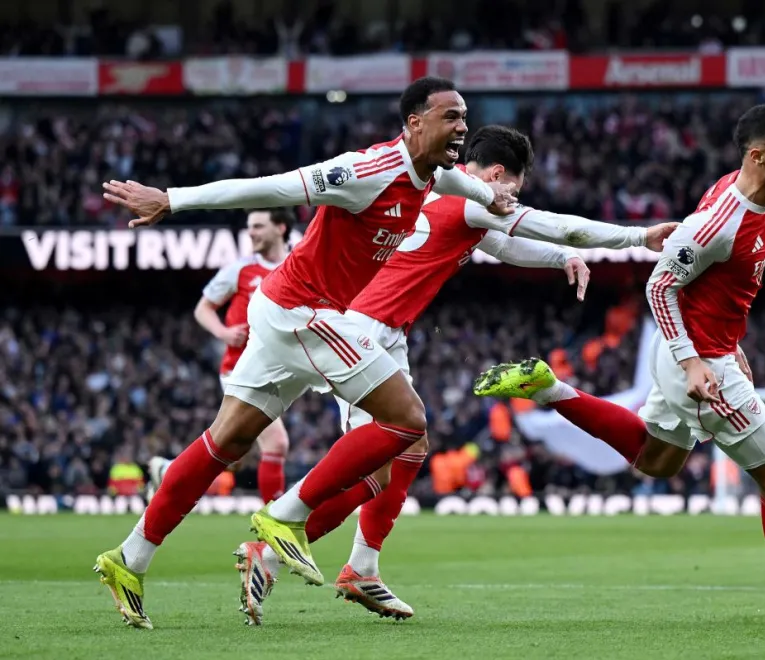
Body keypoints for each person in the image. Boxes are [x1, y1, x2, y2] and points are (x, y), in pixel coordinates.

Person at [93, 76, 517, 630]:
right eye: (450, 116)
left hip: (283, 311)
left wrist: (494, 195)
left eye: (465, 116)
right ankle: (287, 516)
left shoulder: (435, 172)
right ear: (414, 122)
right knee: (408, 420)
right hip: (305, 313)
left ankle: (129, 559)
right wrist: (174, 200)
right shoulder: (366, 171)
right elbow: (269, 187)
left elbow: (461, 182)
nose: (463, 126)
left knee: (226, 441)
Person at [232, 125, 678, 625]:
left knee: (408, 450)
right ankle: (270, 547)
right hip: (361, 330)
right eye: (513, 189)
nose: (510, 200)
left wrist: (562, 258)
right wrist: (637, 236)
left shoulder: (441, 195)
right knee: (379, 466)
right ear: (496, 174)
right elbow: (555, 226)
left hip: (384, 331)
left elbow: (506, 245)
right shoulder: (470, 199)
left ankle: (361, 567)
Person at [473, 104, 765, 625]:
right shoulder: (723, 221)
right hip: (699, 362)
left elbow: (711, 292)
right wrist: (697, 363)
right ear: (757, 156)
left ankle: (549, 388)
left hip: (703, 351)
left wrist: (730, 345)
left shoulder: (752, 199)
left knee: (657, 460)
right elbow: (660, 285)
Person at [148, 208, 295, 503]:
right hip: (241, 371)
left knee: (229, 449)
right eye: (249, 226)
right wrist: (223, 333)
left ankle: (168, 471)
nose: (251, 232)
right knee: (276, 443)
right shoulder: (240, 269)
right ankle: (274, 530)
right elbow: (203, 308)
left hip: (282, 370)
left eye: (258, 226)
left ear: (281, 228)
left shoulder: (298, 262)